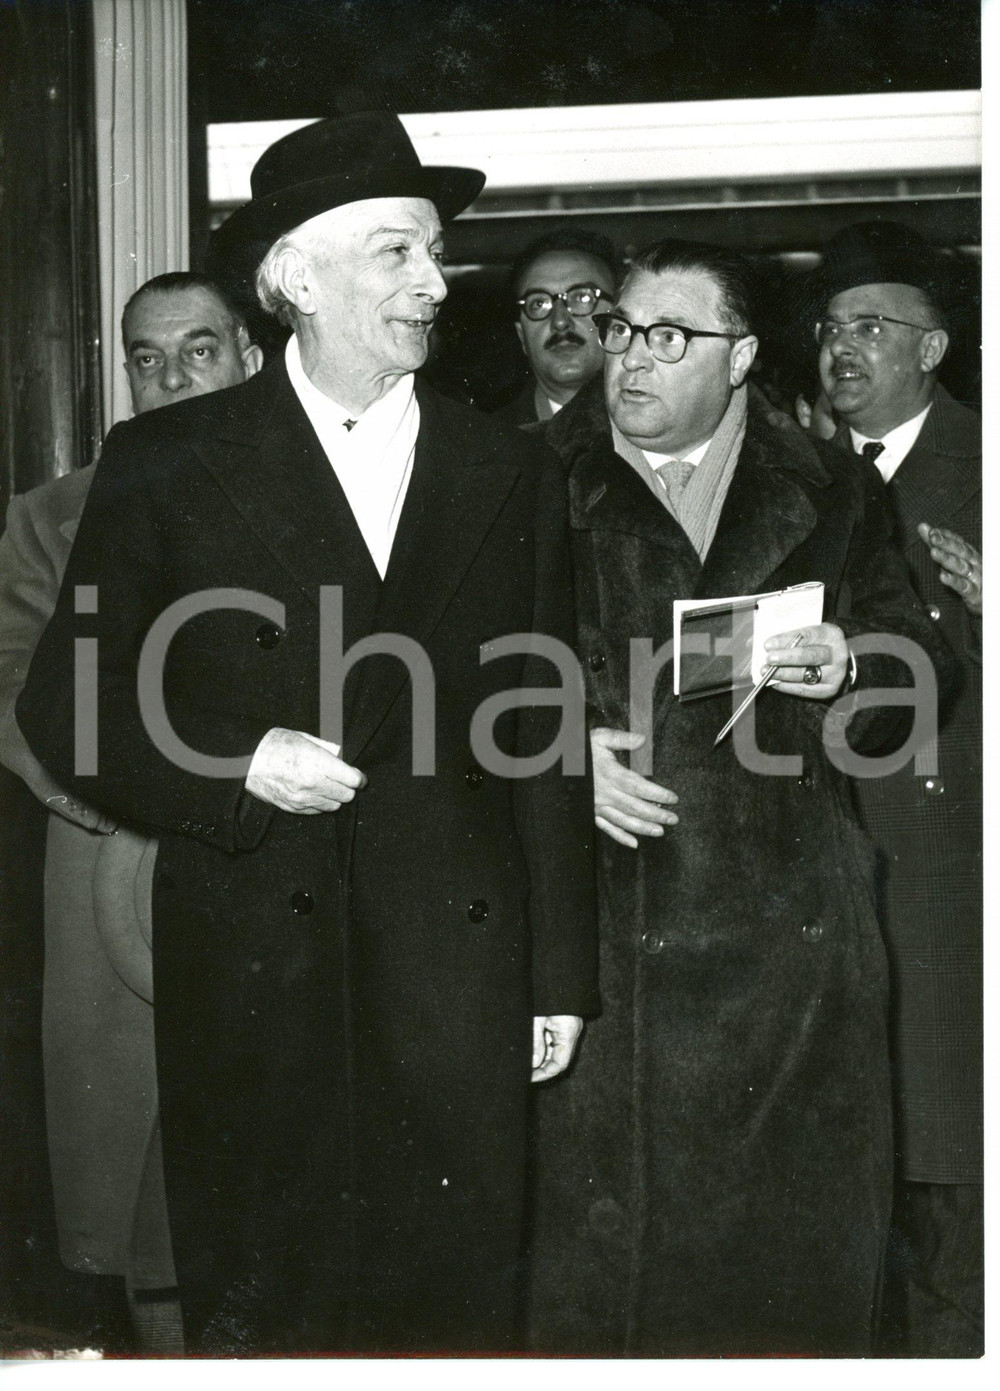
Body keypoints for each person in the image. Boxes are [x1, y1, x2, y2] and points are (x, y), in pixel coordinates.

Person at [17, 111, 598, 1356]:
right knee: (272, 1318)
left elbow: (543, 730)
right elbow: (66, 702)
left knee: (450, 1320)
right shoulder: (165, 461)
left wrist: (557, 973)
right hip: (253, 964)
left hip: (456, 969)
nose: (435, 281)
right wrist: (235, 762)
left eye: (434, 251)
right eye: (398, 251)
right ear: (298, 277)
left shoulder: (507, 468)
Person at [525, 237, 952, 1357]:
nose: (631, 358)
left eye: (670, 337)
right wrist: (559, 757)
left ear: (743, 356)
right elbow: (450, 676)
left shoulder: (835, 487)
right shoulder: (522, 479)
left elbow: (919, 662)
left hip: (793, 955)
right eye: (622, 329)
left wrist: (853, 660)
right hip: (603, 938)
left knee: (786, 1300)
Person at [0, 273, 262, 1353]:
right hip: (115, 860)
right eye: (147, 359)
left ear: (249, 355)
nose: (172, 378)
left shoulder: (311, 490)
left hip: (278, 847)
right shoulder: (52, 515)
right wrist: (101, 791)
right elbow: (13, 677)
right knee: (140, 1155)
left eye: (199, 350)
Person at [817, 224, 982, 1357]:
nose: (842, 345)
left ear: (932, 347)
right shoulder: (793, 471)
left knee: (952, 1184)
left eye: (871, 326)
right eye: (830, 325)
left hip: (955, 872)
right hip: (830, 856)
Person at [492, 229, 618, 426]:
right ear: (522, 336)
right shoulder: (487, 439)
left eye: (582, 297)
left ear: (619, 323)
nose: (559, 321)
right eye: (538, 303)